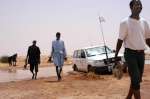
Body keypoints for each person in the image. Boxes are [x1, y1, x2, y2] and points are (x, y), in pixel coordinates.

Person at [115, 0, 150, 99]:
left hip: (141, 54)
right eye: (136, 4)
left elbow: (148, 40)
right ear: (131, 7)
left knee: (136, 80)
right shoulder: (125, 22)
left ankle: (128, 97)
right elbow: (120, 40)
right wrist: (116, 54)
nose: (139, 6)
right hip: (130, 54)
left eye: (140, 4)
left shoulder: (144, 22)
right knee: (135, 79)